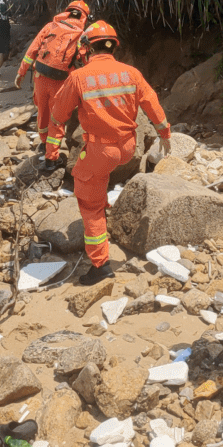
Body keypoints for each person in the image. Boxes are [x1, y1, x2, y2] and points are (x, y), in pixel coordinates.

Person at [46, 21, 172, 285]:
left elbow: (57, 116)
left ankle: (100, 264)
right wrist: (165, 134)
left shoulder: (78, 77)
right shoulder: (131, 73)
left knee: (88, 200)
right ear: (113, 45)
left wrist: (51, 152)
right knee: (98, 179)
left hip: (100, 150)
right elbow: (152, 103)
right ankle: (104, 207)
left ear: (87, 48)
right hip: (128, 146)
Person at [14, 0, 90, 148]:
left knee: (42, 111)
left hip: (40, 76)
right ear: (84, 17)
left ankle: (43, 142)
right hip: (61, 81)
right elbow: (84, 61)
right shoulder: (82, 35)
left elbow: (32, 50)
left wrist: (21, 72)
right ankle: (52, 154)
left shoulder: (51, 26)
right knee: (57, 117)